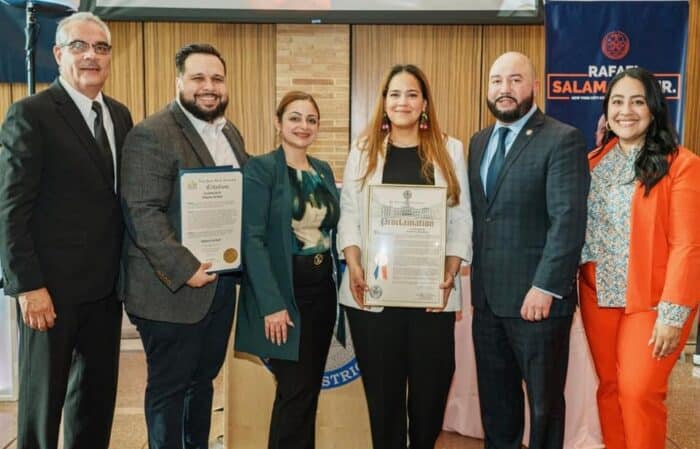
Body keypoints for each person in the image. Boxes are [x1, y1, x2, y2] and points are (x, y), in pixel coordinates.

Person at [0, 12, 132, 449]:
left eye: (101, 47)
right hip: (49, 293)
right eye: (79, 46)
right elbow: (11, 208)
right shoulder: (31, 114)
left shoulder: (119, 115)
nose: (91, 55)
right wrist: (28, 286)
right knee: (43, 405)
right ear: (57, 54)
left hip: (105, 290)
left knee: (95, 402)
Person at [120, 43, 247, 449]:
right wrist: (185, 268)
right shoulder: (151, 133)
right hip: (169, 291)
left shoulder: (229, 132)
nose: (208, 87)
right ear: (179, 82)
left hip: (219, 284)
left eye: (216, 78)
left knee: (203, 382)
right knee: (169, 390)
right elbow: (142, 211)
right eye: (198, 78)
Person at [337, 64, 472, 449]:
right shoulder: (364, 150)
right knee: (384, 403)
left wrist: (449, 273)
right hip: (373, 298)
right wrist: (354, 264)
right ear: (384, 102)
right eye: (395, 94)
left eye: (412, 94)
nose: (403, 102)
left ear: (425, 103)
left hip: (432, 296)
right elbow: (349, 212)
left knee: (429, 400)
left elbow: (461, 217)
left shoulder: (451, 149)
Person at [467, 51, 590, 449]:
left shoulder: (562, 138)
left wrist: (546, 287)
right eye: (496, 80)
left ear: (534, 86)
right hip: (487, 303)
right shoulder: (479, 142)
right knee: (496, 408)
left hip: (536, 302)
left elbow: (567, 221)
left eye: (515, 79)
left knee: (543, 409)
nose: (505, 89)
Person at [579, 67, 700, 449]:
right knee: (610, 388)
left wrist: (673, 314)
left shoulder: (681, 164)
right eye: (617, 101)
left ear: (654, 109)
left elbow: (688, 245)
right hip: (597, 295)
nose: (626, 110)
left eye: (637, 101)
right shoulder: (593, 163)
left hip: (652, 300)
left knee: (638, 391)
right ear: (606, 110)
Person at [235, 91, 341, 449]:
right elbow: (252, 239)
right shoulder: (261, 169)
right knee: (294, 391)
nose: (303, 126)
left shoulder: (322, 170)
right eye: (295, 118)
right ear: (278, 123)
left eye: (311, 119)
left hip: (322, 290)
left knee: (308, 388)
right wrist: (272, 304)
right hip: (286, 291)